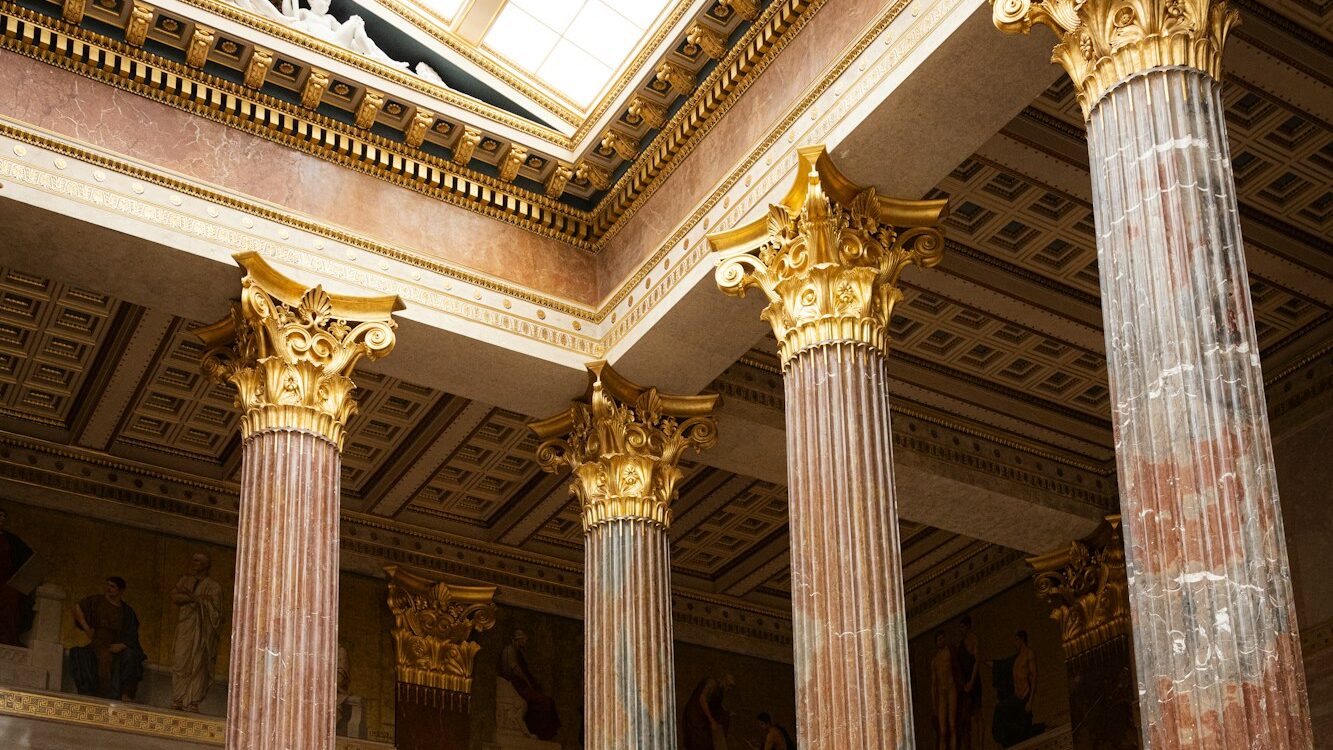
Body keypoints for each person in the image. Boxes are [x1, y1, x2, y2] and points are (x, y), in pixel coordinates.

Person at [70, 576, 147, 701]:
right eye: (108, 585)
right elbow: (77, 608)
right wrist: (87, 628)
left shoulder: (127, 611)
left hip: (118, 643)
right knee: (105, 657)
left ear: (120, 591)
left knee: (131, 656)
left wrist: (122, 645)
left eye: (112, 586)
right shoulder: (97, 601)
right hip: (99, 642)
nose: (108, 588)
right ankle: (105, 695)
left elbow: (132, 634)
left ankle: (126, 694)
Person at [169, 552, 223, 712]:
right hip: (185, 626)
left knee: (199, 663)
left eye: (197, 561)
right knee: (181, 660)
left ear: (206, 565)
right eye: (193, 560)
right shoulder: (185, 580)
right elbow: (175, 597)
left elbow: (216, 612)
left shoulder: (214, 586)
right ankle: (178, 698)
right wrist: (196, 599)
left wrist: (199, 600)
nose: (194, 563)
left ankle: (192, 701)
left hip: (203, 631)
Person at [498, 629, 560, 740]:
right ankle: (540, 733)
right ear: (518, 640)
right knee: (545, 702)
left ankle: (543, 733)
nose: (525, 643)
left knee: (546, 701)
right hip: (517, 687)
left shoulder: (517, 652)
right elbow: (516, 670)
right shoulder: (510, 650)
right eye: (523, 641)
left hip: (521, 686)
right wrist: (528, 682)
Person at [0, 506, 34, 646]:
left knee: (12, 595)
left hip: (6, 581)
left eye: (3, 516)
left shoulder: (10, 539)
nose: (1, 519)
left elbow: (29, 558)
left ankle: (6, 639)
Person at [682, 673, 735, 750]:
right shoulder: (711, 683)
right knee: (699, 743)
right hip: (695, 717)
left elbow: (716, 705)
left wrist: (726, 713)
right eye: (729, 685)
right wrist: (712, 720)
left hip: (703, 719)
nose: (729, 688)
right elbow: (702, 699)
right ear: (724, 681)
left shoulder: (719, 691)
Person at [930, 630, 960, 750]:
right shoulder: (935, 661)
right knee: (942, 731)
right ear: (936, 642)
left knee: (952, 725)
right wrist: (934, 704)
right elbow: (934, 684)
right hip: (942, 694)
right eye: (939, 639)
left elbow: (956, 669)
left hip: (951, 689)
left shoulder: (949, 653)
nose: (941, 641)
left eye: (943, 638)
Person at [957, 615, 982, 749]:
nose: (961, 630)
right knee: (969, 716)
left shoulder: (974, 640)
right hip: (965, 682)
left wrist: (972, 681)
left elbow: (977, 662)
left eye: (962, 627)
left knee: (978, 715)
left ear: (968, 626)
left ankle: (981, 745)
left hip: (974, 681)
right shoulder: (961, 644)